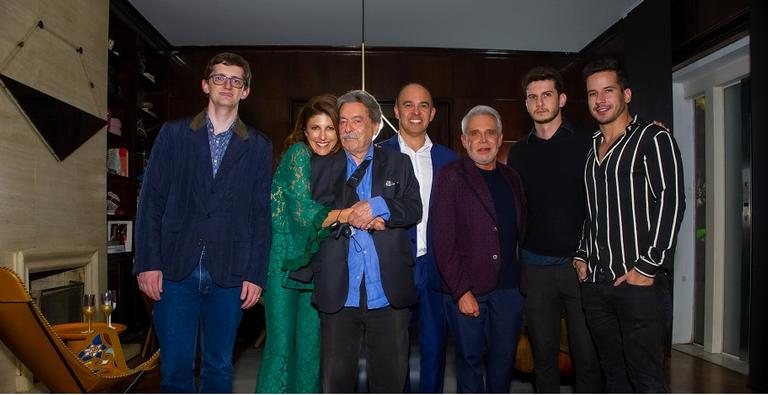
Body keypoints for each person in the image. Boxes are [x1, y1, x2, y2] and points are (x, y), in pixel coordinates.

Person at [133, 52, 272, 393]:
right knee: (176, 368)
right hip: (173, 270)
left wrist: (255, 274)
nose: (228, 85)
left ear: (245, 91)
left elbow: (260, 215)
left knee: (219, 366)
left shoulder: (258, 146)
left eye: (236, 80)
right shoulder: (173, 135)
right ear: (206, 85)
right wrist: (147, 263)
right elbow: (151, 202)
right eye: (220, 78)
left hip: (230, 273)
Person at [574, 58, 685, 392]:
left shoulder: (653, 138)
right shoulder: (591, 149)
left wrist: (648, 267)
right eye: (593, 93)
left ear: (627, 93)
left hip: (639, 284)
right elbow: (591, 211)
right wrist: (581, 255)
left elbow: (672, 200)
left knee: (646, 376)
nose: (600, 99)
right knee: (614, 373)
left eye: (608, 90)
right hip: (596, 284)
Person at [309, 90, 422, 393]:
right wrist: (346, 215)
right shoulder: (320, 166)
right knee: (336, 384)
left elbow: (414, 208)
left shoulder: (398, 164)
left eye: (356, 121)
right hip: (338, 292)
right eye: (342, 121)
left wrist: (378, 206)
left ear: (375, 126)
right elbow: (311, 218)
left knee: (390, 382)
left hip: (387, 293)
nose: (347, 128)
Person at [506, 67, 601, 393]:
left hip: (579, 266)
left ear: (561, 99)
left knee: (587, 356)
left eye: (546, 95)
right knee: (543, 357)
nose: (539, 102)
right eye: (532, 97)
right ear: (526, 103)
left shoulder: (589, 142)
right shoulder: (518, 151)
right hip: (535, 268)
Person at [256, 94, 347, 393]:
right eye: (315, 128)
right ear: (304, 131)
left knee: (310, 353)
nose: (322, 136)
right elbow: (301, 211)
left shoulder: (338, 163)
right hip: (284, 266)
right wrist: (350, 215)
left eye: (329, 128)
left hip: (314, 268)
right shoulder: (297, 154)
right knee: (280, 350)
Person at [432, 105, 526, 393]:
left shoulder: (512, 178)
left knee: (503, 361)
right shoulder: (450, 177)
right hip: (469, 289)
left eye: (490, 133)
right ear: (464, 140)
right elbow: (442, 240)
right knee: (470, 361)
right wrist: (461, 291)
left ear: (500, 139)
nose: (483, 140)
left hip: (509, 289)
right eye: (475, 134)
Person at [378, 83, 458, 393]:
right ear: (395, 111)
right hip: (392, 266)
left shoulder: (450, 160)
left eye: (423, 105)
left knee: (434, 346)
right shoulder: (377, 155)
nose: (415, 111)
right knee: (392, 349)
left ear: (433, 113)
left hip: (435, 266)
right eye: (408, 105)